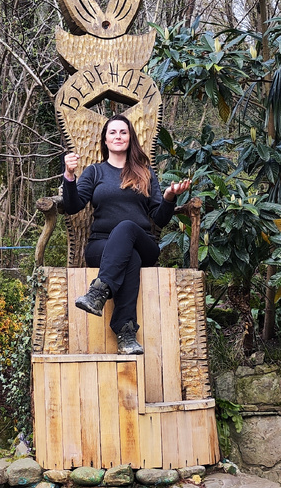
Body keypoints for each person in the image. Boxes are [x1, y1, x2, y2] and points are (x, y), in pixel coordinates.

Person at [62, 115, 190, 355]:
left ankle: (98, 292)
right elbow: (72, 206)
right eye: (112, 132)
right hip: (101, 246)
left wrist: (169, 197)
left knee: (127, 227)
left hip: (144, 244)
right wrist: (69, 176)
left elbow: (160, 218)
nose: (118, 136)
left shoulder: (145, 173)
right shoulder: (94, 172)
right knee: (130, 258)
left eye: (123, 132)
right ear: (105, 140)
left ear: (130, 138)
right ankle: (126, 334)